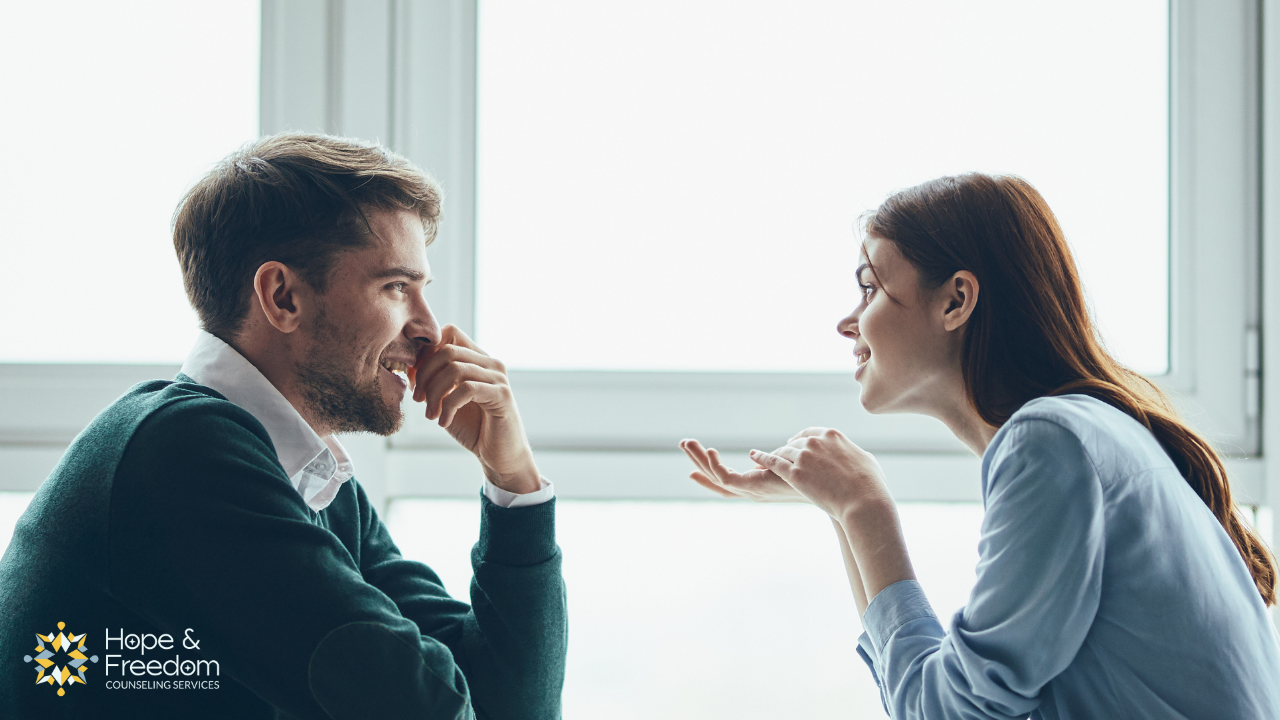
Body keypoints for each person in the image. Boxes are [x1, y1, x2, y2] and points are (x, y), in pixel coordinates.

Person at [0, 133, 566, 719]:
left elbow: (510, 706)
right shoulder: (182, 454)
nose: (428, 328)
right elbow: (422, 708)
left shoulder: (309, 479)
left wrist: (514, 478)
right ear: (282, 296)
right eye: (396, 287)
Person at [680, 173, 1280, 719]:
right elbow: (925, 698)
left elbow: (948, 714)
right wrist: (842, 507)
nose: (848, 322)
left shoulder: (1049, 442)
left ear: (957, 300)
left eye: (870, 289)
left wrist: (865, 510)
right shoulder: (1083, 433)